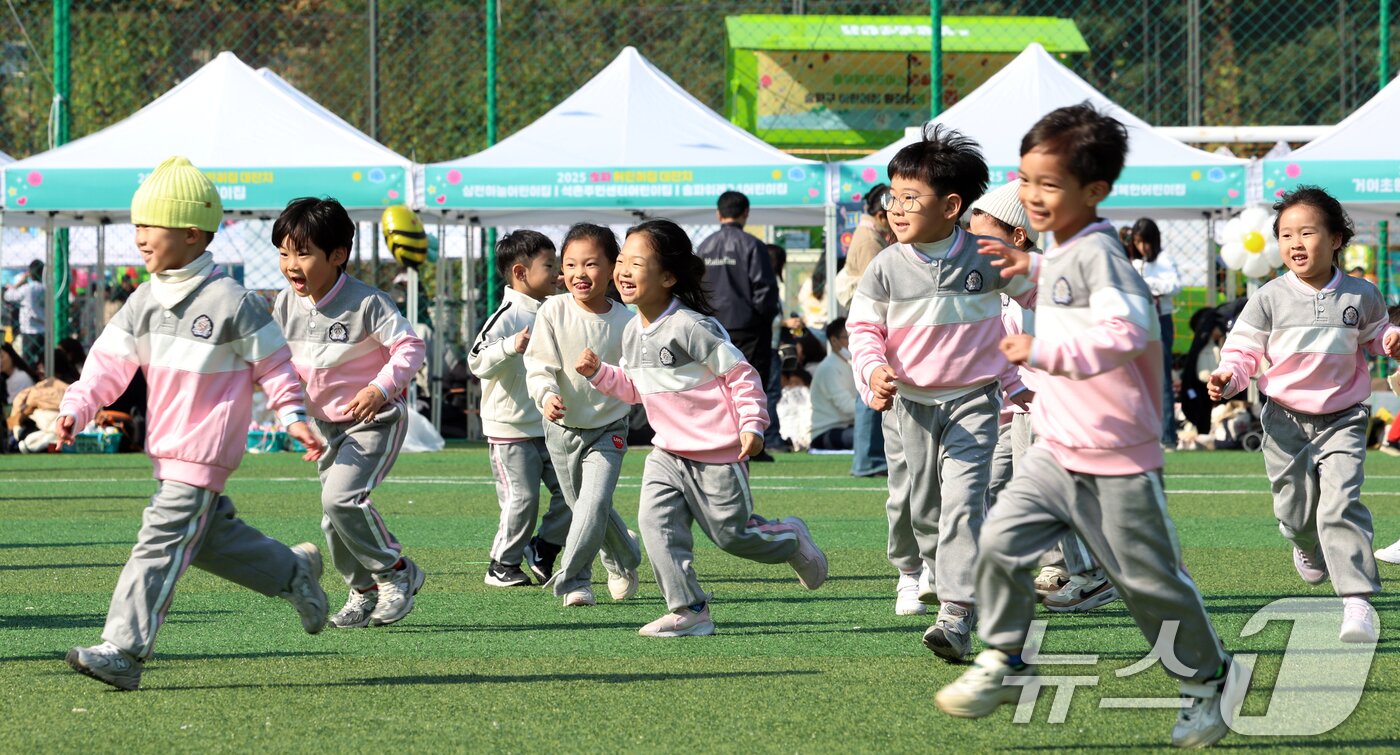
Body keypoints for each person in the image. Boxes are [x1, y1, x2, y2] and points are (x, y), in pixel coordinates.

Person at [936, 105, 1237, 749]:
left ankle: (1207, 679)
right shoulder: (1066, 253)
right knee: (1001, 542)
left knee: (1149, 585)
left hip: (1116, 458)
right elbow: (1063, 285)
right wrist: (1034, 273)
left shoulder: (1102, 255)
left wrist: (1043, 353)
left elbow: (1126, 331)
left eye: (1049, 184)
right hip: (1055, 446)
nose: (1032, 196)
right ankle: (1003, 658)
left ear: (1094, 191)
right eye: (1026, 180)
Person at [55, 156, 328, 691]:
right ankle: (294, 573)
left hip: (203, 452)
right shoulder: (142, 299)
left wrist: (293, 416)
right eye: (135, 225)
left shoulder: (233, 301)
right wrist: (76, 407)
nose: (138, 237)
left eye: (148, 225)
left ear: (190, 232)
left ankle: (124, 650)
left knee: (158, 542)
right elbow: (108, 364)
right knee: (207, 539)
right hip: (167, 451)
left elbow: (275, 366)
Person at [579, 219, 827, 637]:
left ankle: (790, 537)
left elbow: (741, 376)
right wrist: (599, 374)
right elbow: (637, 388)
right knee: (656, 527)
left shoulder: (692, 326)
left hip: (717, 452)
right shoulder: (631, 331)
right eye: (620, 260)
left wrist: (752, 424)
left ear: (669, 276)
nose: (622, 271)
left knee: (733, 536)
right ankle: (690, 610)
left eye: (635, 263)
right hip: (667, 452)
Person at [848, 124, 1036, 659]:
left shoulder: (986, 256)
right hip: (909, 405)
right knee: (921, 511)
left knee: (961, 506)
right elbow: (863, 330)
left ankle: (956, 614)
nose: (896, 209)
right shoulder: (884, 267)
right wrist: (874, 371)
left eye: (911, 198)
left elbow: (1045, 291)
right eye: (892, 196)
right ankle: (926, 566)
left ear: (952, 206)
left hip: (975, 402)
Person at [1208, 185, 1395, 644]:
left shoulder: (1361, 294)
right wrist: (1228, 378)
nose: (1295, 242)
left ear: (1335, 239)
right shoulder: (1269, 297)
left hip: (1345, 419)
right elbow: (1243, 351)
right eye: (1286, 234)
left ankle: (1356, 602)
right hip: (1284, 420)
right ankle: (1305, 543)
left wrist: (1391, 338)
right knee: (1293, 512)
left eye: (1307, 232)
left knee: (1340, 506)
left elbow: (1378, 336)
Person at [271, 197, 427, 629]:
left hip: (375, 420)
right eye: (283, 253)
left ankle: (398, 572)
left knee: (341, 499)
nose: (291, 265)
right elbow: (280, 365)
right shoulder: (286, 305)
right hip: (326, 426)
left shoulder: (368, 302)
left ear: (337, 255)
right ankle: (363, 591)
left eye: (302, 253)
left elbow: (410, 347)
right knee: (332, 519)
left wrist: (380, 388)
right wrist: (292, 416)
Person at [525, 223, 643, 607]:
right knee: (587, 510)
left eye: (591, 264)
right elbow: (538, 364)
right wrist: (546, 395)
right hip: (560, 430)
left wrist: (604, 374)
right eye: (571, 264)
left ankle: (575, 580)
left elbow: (635, 378)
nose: (580, 273)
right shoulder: (553, 310)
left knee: (591, 505)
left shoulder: (628, 321)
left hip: (609, 429)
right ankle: (623, 559)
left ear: (612, 268)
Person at [468, 230, 572, 588]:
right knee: (522, 500)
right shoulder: (509, 314)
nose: (559, 274)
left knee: (574, 493)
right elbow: (476, 361)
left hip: (548, 425)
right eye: (550, 266)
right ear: (520, 272)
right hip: (510, 430)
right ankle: (501, 564)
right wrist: (511, 345)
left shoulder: (554, 309)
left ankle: (544, 548)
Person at [696, 191, 781, 458]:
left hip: (711, 327)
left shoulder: (705, 246)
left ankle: (722, 442)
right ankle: (754, 444)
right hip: (749, 327)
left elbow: (697, 288)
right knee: (752, 384)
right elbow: (765, 290)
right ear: (746, 214)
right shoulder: (752, 245)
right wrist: (762, 320)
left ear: (718, 214)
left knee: (717, 387)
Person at [839, 184, 896, 478]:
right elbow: (877, 290)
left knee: (871, 385)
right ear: (881, 213)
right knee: (871, 386)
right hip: (871, 320)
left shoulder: (869, 235)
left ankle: (869, 458)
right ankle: (868, 459)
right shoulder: (870, 240)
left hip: (868, 318)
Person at [1129, 218, 1183, 449]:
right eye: (1138, 242)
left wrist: (1148, 284)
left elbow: (1175, 286)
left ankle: (1168, 435)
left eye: (1146, 242)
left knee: (1162, 377)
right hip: (1136, 321)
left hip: (1160, 319)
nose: (1142, 247)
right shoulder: (1132, 263)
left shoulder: (1163, 260)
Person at [808, 318, 857, 451]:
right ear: (834, 341)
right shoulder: (829, 368)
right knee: (868, 437)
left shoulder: (849, 365)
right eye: (848, 337)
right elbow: (847, 407)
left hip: (846, 428)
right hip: (826, 432)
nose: (854, 341)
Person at [4, 260, 46, 368]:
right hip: (44, 330)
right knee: (43, 363)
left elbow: (8, 296)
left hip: (29, 331)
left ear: (30, 273)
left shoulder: (27, 289)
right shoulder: (46, 288)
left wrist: (20, 283)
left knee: (28, 363)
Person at [1, 342, 37, 410]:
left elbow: (12, 407)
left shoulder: (20, 377)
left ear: (11, 355)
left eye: (2, 356)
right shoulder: (7, 378)